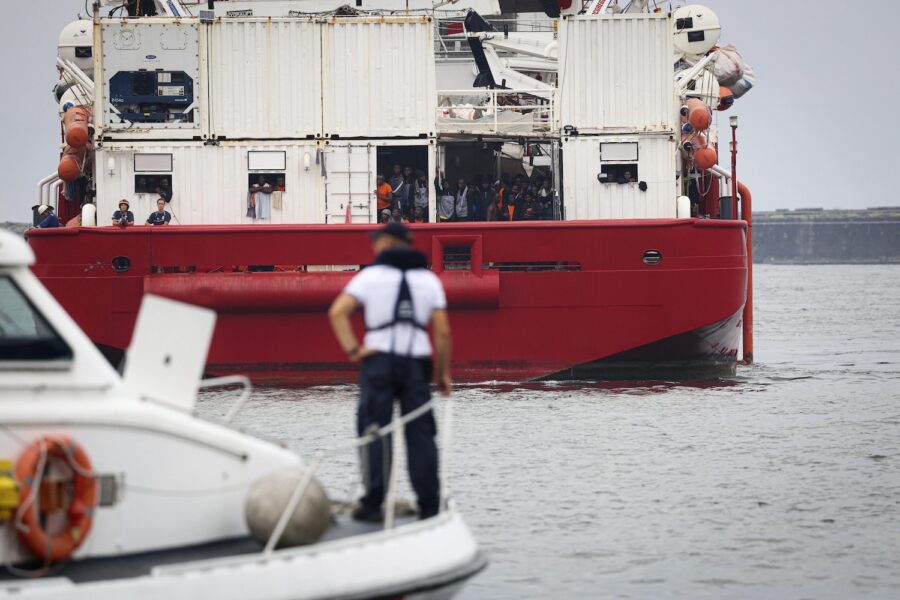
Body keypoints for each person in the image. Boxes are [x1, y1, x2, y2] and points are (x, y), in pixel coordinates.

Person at [328, 222, 452, 522]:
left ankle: (373, 504)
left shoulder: (369, 277)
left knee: (374, 430)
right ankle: (429, 504)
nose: (373, 246)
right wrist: (442, 374)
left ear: (387, 244)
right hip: (415, 363)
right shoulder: (429, 280)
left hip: (379, 362)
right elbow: (443, 333)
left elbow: (337, 312)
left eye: (377, 241)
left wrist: (355, 351)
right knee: (420, 434)